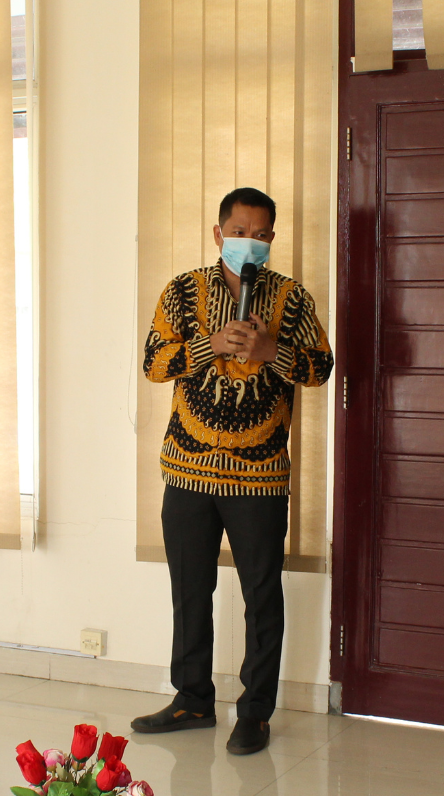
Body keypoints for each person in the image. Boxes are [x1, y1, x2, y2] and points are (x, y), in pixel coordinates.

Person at [132, 187, 333, 755]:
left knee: (261, 596)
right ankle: (192, 699)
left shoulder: (292, 298)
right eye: (241, 231)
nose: (251, 242)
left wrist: (272, 352)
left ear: (272, 239)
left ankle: (255, 713)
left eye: (262, 234)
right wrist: (209, 344)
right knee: (190, 590)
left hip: (260, 475)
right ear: (219, 233)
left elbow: (321, 367)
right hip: (188, 470)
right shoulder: (182, 291)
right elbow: (153, 363)